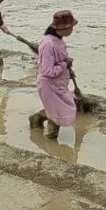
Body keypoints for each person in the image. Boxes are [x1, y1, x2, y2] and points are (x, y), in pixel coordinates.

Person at [29, 10, 78, 139]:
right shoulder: (49, 44)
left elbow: (60, 60)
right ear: (62, 28)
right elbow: (47, 71)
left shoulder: (58, 40)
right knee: (58, 111)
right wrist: (64, 65)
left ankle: (38, 120)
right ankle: (50, 137)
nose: (72, 29)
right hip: (49, 85)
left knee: (57, 110)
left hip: (57, 84)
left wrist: (67, 68)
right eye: (71, 27)